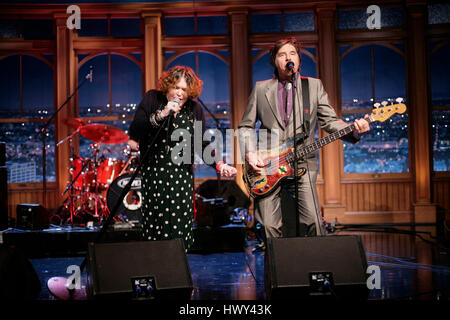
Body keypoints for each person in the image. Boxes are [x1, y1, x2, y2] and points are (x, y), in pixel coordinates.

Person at [238, 37, 370, 239]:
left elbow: (330, 121)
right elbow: (246, 126)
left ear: (299, 59)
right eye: (282, 55)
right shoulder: (261, 89)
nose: (288, 58)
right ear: (275, 61)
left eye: (292, 54)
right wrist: (249, 153)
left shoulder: (313, 87)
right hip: (267, 165)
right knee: (267, 225)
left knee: (314, 223)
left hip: (302, 164)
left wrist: (353, 129)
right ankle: (276, 268)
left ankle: (317, 268)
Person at [128, 65, 236, 250]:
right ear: (168, 86)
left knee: (178, 229)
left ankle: (176, 271)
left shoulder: (194, 109)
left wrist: (219, 164)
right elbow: (135, 130)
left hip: (181, 178)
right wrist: (162, 114)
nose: (179, 93)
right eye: (175, 87)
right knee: (156, 227)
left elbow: (200, 144)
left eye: (184, 89)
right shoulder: (152, 99)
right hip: (154, 174)